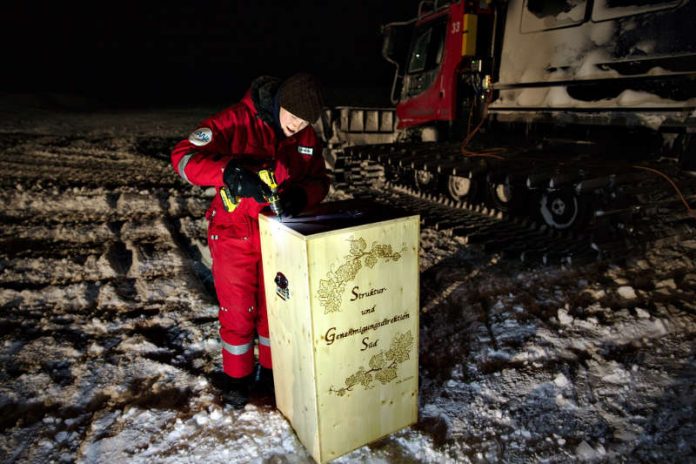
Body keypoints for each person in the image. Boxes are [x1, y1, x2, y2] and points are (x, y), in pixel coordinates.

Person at [170, 73, 330, 408]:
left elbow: (319, 180)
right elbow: (183, 157)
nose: (297, 126)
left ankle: (271, 377)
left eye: (305, 121)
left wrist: (302, 196)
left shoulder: (306, 136)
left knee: (275, 312)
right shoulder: (236, 121)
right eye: (293, 116)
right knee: (239, 313)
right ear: (278, 103)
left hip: (278, 237)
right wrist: (227, 173)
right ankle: (237, 384)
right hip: (234, 234)